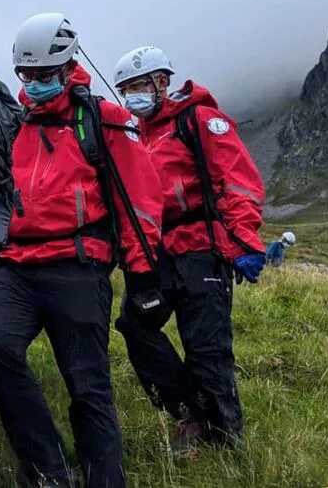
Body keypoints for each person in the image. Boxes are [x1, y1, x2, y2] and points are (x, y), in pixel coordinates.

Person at [0, 14, 162, 488]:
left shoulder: (104, 120)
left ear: (69, 64)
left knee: (87, 384)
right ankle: (48, 468)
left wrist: (142, 277)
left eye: (45, 74)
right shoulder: (16, 127)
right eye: (27, 75)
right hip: (16, 265)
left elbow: (139, 199)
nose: (35, 84)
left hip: (78, 265)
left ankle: (105, 478)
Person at [112, 45, 266, 456]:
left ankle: (225, 443)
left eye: (139, 86)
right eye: (125, 90)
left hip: (202, 249)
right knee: (134, 325)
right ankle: (191, 413)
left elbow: (237, 181)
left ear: (163, 82)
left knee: (207, 348)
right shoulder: (134, 136)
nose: (132, 97)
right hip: (155, 253)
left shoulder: (200, 121)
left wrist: (245, 240)